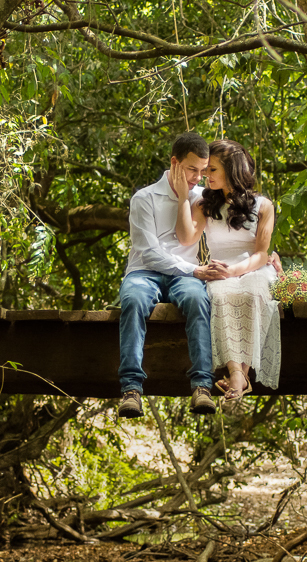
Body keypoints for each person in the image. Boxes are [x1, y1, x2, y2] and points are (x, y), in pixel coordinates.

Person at [117, 132, 220, 419]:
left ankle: (202, 385)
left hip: (184, 278)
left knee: (199, 300)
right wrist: (195, 269)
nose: (198, 177)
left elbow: (233, 225)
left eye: (203, 171)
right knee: (134, 301)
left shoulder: (201, 198)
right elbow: (148, 253)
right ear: (175, 163)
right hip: (145, 272)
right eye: (192, 169)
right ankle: (131, 389)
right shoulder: (144, 198)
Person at [175, 139, 280, 401]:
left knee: (254, 292)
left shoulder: (264, 206)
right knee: (221, 296)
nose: (204, 176)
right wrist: (181, 200)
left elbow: (261, 254)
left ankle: (239, 376)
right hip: (220, 268)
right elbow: (186, 238)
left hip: (253, 266)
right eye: (205, 170)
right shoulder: (204, 203)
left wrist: (235, 271)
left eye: (212, 170)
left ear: (231, 170)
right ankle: (238, 374)